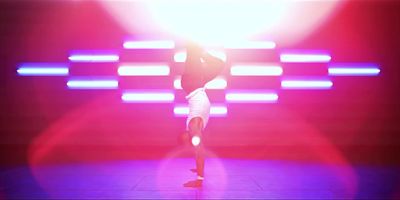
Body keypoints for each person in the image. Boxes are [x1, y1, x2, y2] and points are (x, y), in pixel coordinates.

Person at [181, 42, 225, 188]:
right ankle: (198, 48)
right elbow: (199, 151)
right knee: (192, 49)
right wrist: (199, 178)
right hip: (195, 88)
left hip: (198, 91)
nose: (182, 138)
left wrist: (199, 169)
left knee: (217, 64)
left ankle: (201, 51)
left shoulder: (194, 127)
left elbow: (198, 150)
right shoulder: (193, 127)